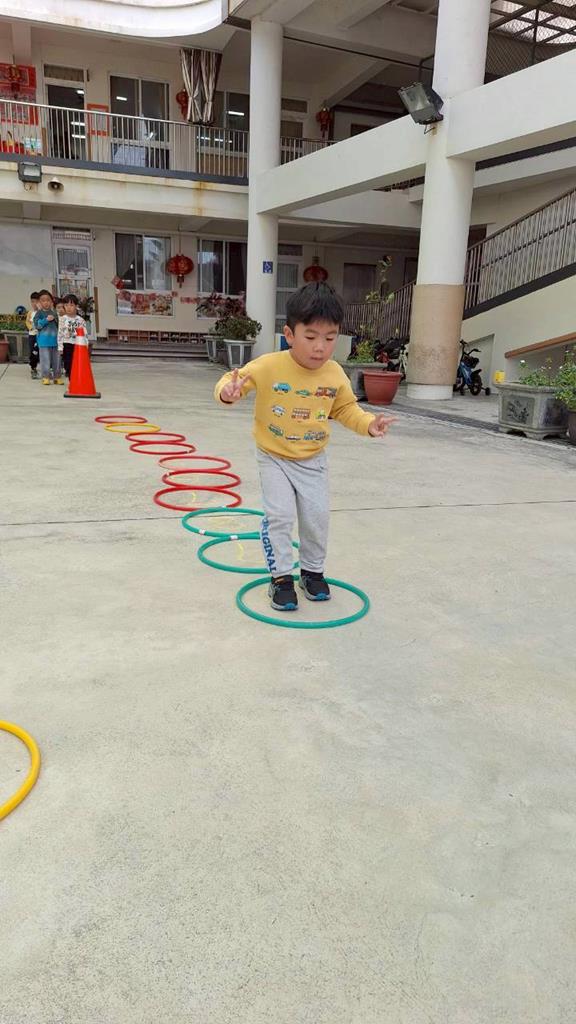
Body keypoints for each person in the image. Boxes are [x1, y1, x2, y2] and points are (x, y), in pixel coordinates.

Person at [214, 282, 396, 612]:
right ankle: (281, 578)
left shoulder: (334, 373)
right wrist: (229, 392)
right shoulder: (269, 365)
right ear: (289, 334)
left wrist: (369, 424)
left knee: (316, 517)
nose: (320, 348)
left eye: (330, 338)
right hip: (273, 456)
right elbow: (233, 380)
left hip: (312, 459)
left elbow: (345, 409)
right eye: (311, 337)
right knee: (280, 516)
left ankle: (312, 573)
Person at [34, 290, 64, 385]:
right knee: (45, 360)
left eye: (48, 300)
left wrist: (56, 319)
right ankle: (46, 377)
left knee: (57, 360)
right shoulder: (39, 313)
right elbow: (37, 325)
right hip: (43, 342)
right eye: (43, 300)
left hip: (56, 341)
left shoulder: (55, 313)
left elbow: (59, 326)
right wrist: (45, 320)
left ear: (51, 302)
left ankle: (57, 377)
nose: (46, 302)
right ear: (39, 302)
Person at [58, 293, 85, 378]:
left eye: (71, 305)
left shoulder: (80, 320)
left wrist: (85, 345)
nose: (69, 307)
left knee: (77, 363)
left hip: (77, 344)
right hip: (66, 344)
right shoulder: (63, 319)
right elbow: (60, 333)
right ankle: (70, 377)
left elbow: (84, 334)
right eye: (66, 305)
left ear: (76, 306)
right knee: (68, 363)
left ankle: (75, 378)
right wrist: (60, 347)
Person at [25, 291, 40, 379]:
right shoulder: (30, 313)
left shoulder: (41, 312)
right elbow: (27, 322)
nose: (34, 304)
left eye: (36, 301)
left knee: (41, 352)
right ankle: (33, 368)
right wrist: (30, 327)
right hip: (32, 335)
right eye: (33, 301)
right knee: (33, 352)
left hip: (40, 335)